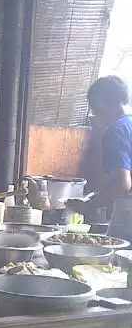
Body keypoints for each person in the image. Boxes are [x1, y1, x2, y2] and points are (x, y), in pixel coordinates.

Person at [67, 76, 132, 241]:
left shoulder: (116, 131)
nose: (93, 113)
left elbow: (122, 184)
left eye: (93, 107)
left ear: (100, 102)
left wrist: (89, 205)